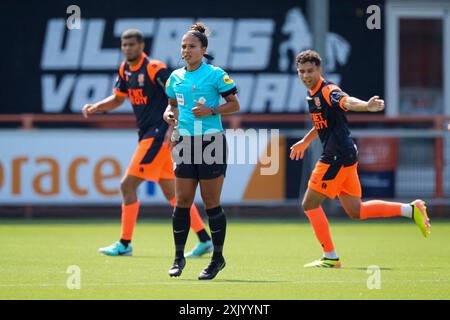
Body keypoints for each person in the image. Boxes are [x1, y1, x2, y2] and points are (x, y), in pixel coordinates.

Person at [290, 50, 431, 268]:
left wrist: (366, 105)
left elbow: (346, 101)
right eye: (301, 72)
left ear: (320, 70)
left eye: (310, 71)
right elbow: (322, 124)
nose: (306, 75)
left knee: (309, 204)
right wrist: (306, 141)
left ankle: (330, 257)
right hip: (346, 154)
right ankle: (411, 210)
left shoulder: (328, 90)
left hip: (335, 157)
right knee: (357, 211)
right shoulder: (312, 94)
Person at [82, 28, 213, 258]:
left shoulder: (155, 68)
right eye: (124, 45)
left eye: (132, 44)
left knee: (127, 186)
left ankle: (124, 243)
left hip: (158, 135)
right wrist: (97, 107)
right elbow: (117, 99)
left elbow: (178, 96)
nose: (127, 48)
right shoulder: (124, 70)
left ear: (142, 46)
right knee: (172, 193)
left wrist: (173, 127)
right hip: (147, 134)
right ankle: (204, 239)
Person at [163, 22, 240, 280]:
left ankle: (217, 258)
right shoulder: (175, 77)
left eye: (192, 46)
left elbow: (234, 105)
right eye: (183, 46)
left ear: (203, 49)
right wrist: (168, 113)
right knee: (182, 201)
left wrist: (212, 110)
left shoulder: (216, 74)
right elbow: (172, 104)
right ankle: (178, 258)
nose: (186, 50)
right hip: (184, 143)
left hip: (211, 143)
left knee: (211, 203)